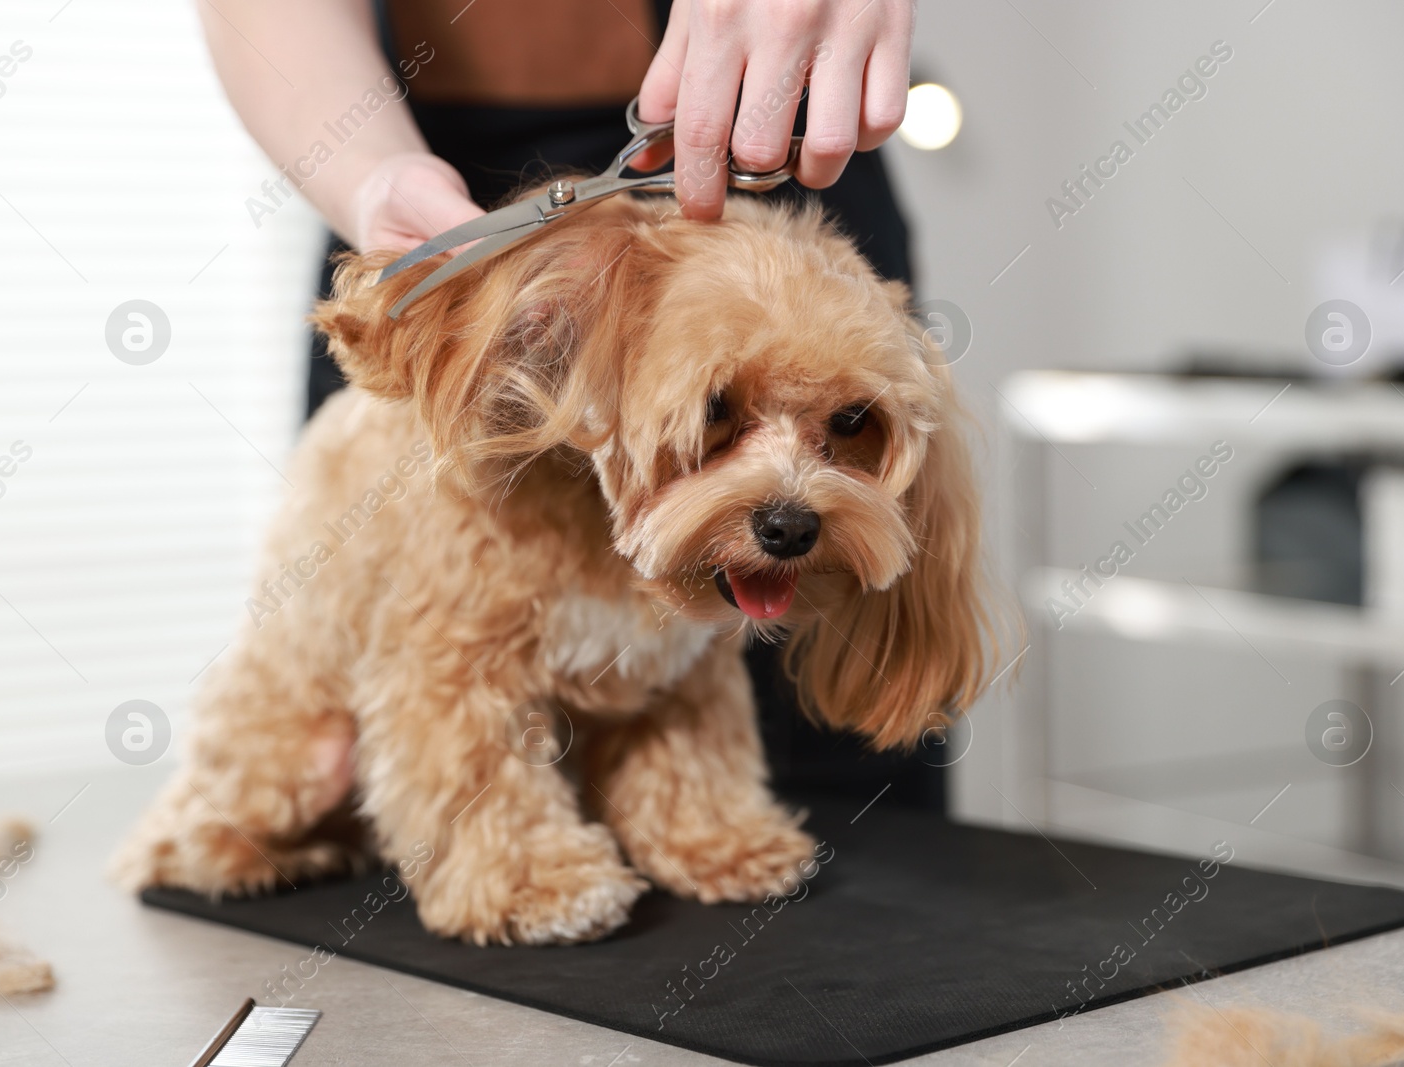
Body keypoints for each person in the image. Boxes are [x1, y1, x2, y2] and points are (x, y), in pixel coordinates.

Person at [197, 0, 944, 810]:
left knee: (846, 824)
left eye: (846, 425)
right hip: (437, 206)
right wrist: (374, 178)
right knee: (382, 778)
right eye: (718, 414)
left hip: (798, 160)